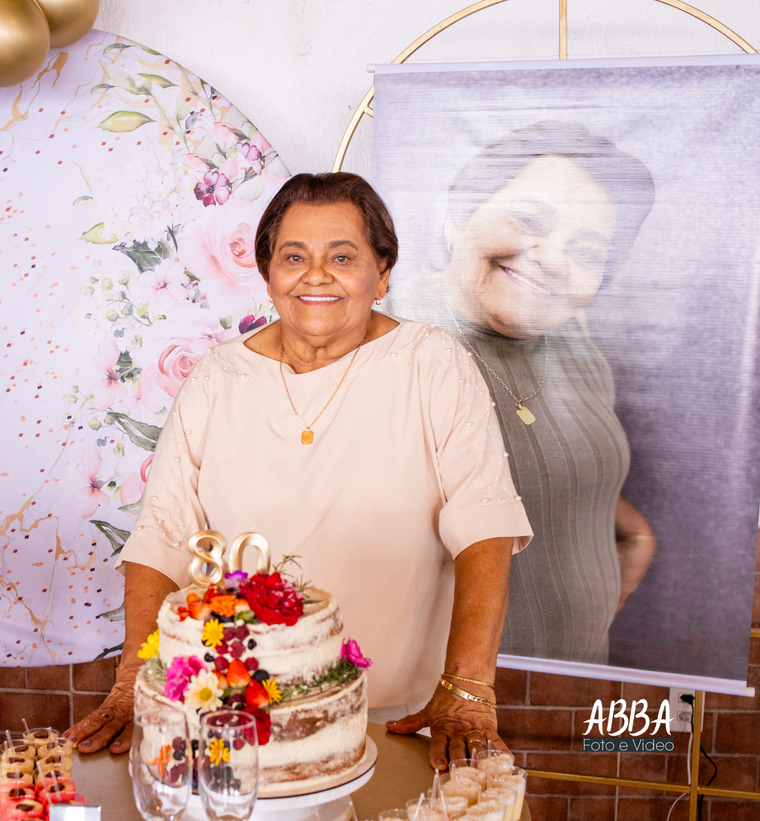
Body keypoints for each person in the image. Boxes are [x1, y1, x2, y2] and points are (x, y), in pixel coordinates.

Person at [64, 172, 533, 770]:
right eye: (294, 257)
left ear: (382, 274)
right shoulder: (217, 377)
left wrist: (468, 690)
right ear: (267, 275)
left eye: (342, 257)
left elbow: (484, 527)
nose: (316, 275)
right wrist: (136, 677)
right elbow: (163, 534)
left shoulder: (432, 362)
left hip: (393, 718)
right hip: (234, 716)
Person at [384, 121, 658, 665]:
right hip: (450, 689)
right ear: (458, 216)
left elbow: (537, 457)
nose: (552, 259)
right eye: (529, 220)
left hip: (571, 677)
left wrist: (627, 528)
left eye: (586, 251)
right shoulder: (386, 340)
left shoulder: (571, 339)